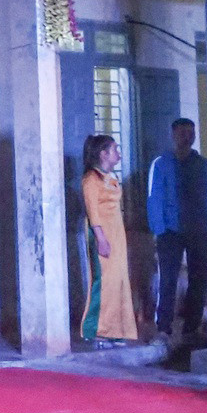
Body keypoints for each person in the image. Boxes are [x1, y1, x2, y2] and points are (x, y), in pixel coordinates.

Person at [147, 118, 207, 343]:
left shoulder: (203, 165)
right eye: (182, 132)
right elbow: (154, 197)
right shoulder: (161, 164)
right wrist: (158, 229)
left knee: (200, 278)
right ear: (173, 135)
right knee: (168, 278)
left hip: (199, 228)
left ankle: (191, 326)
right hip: (170, 230)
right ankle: (164, 326)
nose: (187, 137)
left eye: (191, 133)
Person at [80, 134, 140, 346]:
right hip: (101, 234)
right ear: (103, 153)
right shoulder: (91, 180)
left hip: (117, 234)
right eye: (114, 149)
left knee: (117, 282)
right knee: (103, 282)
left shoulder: (110, 178)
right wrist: (101, 239)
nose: (118, 154)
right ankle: (95, 329)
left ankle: (114, 329)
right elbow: (93, 212)